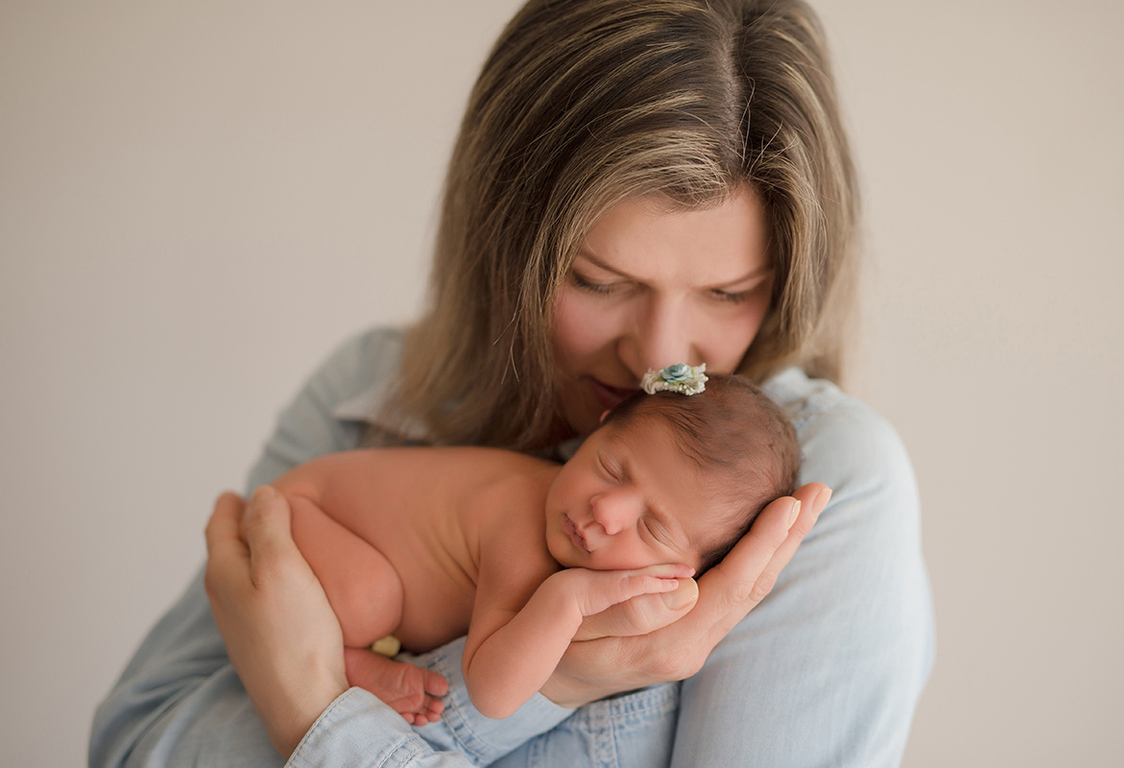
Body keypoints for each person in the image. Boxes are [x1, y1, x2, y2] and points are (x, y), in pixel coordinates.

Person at [91, 1, 935, 766]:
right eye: (600, 281)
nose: (659, 360)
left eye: (728, 294)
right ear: (505, 237)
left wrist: (308, 702)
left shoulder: (824, 484)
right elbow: (136, 739)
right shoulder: (368, 391)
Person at [278, 370, 798, 725]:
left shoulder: (582, 526)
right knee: (369, 602)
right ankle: (348, 658)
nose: (606, 510)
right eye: (610, 468)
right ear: (597, 431)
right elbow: (493, 694)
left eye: (653, 528)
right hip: (303, 512)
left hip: (324, 526)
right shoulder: (520, 526)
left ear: (686, 573)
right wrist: (568, 599)